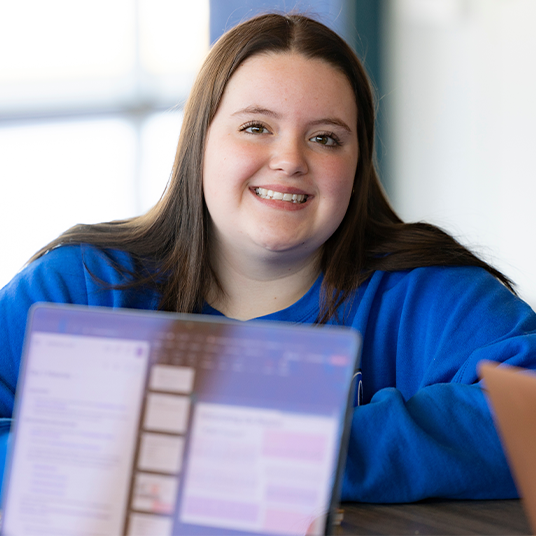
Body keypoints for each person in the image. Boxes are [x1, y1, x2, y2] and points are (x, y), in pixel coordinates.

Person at [1, 12, 535, 503]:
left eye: (326, 138)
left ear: (356, 168)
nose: (289, 160)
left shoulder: (426, 290)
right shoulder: (83, 286)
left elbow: (527, 414)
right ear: (199, 143)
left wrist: (279, 452)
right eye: (256, 127)